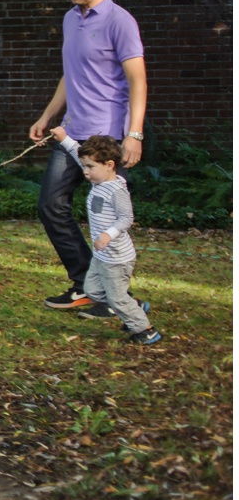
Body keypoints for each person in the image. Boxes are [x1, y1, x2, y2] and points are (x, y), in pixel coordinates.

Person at [26, 0, 147, 310]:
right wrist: (47, 116)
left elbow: (138, 81)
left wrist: (134, 134)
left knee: (106, 219)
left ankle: (114, 298)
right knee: (51, 205)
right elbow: (71, 74)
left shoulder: (119, 21)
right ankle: (85, 284)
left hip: (107, 137)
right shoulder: (70, 19)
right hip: (73, 132)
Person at [48, 129, 160, 345]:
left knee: (117, 299)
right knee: (91, 291)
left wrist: (108, 235)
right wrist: (64, 138)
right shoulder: (98, 181)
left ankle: (145, 330)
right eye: (85, 166)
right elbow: (76, 152)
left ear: (109, 165)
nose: (85, 172)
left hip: (117, 257)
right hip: (102, 256)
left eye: (90, 167)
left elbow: (126, 218)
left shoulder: (116, 190)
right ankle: (132, 307)